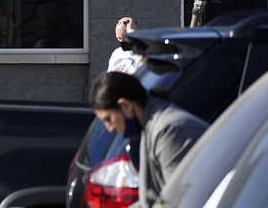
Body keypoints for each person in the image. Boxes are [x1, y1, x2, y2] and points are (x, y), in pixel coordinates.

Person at [89, 71, 208, 207]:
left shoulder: (168, 131)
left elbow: (178, 202)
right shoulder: (149, 126)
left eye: (108, 119)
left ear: (125, 106)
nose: (110, 129)